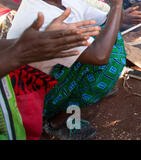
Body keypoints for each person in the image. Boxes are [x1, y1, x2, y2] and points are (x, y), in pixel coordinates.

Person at [7, 0, 126, 140]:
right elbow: (99, 56)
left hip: (47, 77)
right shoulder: (40, 16)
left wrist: (116, 9)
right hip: (27, 97)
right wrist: (117, 5)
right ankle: (57, 120)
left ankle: (83, 94)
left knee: (107, 37)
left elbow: (104, 20)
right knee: (107, 58)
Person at [0, 12, 100, 140]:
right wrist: (18, 52)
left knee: (23, 130)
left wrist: (36, 43)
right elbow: (99, 56)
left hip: (10, 93)